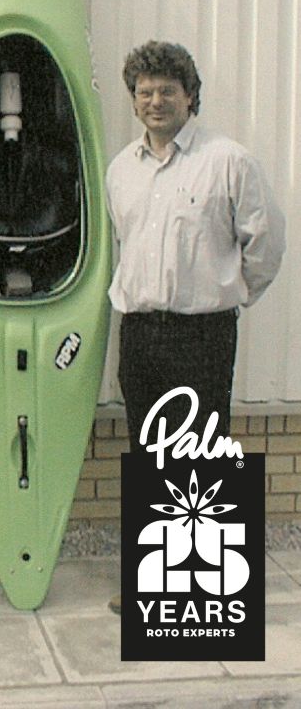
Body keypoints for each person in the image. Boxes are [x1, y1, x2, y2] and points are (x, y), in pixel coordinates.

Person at [105, 40, 285, 613]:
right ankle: (154, 586)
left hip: (201, 335)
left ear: (191, 97)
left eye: (167, 90)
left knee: (203, 463)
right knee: (150, 457)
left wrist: (229, 294)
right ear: (134, 99)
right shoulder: (120, 170)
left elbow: (265, 242)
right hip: (139, 333)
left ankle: (205, 596)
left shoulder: (228, 161)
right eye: (145, 92)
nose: (155, 101)